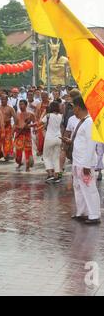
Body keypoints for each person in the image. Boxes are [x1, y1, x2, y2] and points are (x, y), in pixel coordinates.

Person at [61, 96, 101, 224]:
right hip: (78, 160)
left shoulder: (89, 122)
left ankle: (94, 215)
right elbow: (80, 139)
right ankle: (82, 212)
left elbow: (91, 144)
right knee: (78, 187)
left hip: (85, 162)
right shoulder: (82, 121)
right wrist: (70, 141)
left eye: (74, 109)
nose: (74, 112)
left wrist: (87, 164)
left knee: (89, 188)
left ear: (78, 108)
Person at [41, 102, 63, 183]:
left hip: (49, 138)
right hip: (58, 138)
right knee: (56, 157)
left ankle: (50, 174)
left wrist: (44, 112)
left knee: (46, 156)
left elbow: (41, 122)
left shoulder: (48, 115)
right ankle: (56, 176)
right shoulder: (60, 116)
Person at [14, 100, 35, 172]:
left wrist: (30, 125)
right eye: (19, 104)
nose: (20, 106)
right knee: (18, 151)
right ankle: (19, 163)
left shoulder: (30, 114)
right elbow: (15, 125)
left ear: (26, 105)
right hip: (19, 134)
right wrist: (12, 133)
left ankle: (28, 167)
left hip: (27, 134)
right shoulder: (17, 114)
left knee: (28, 150)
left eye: (22, 104)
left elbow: (35, 123)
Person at [0, 94, 17, 161]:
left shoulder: (10, 108)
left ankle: (8, 154)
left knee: (8, 142)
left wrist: (13, 130)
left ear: (7, 100)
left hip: (8, 128)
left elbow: (16, 120)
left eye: (4, 99)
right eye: (1, 99)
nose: (2, 100)